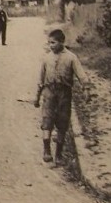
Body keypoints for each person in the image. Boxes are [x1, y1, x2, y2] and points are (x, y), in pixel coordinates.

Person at [34, 29, 94, 164]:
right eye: (49, 43)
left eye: (53, 43)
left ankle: (59, 155)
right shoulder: (46, 58)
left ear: (62, 42)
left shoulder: (71, 57)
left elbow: (81, 74)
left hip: (64, 93)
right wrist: (37, 97)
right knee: (47, 121)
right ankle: (47, 151)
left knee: (62, 122)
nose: (51, 45)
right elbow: (41, 79)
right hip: (49, 92)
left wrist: (87, 90)